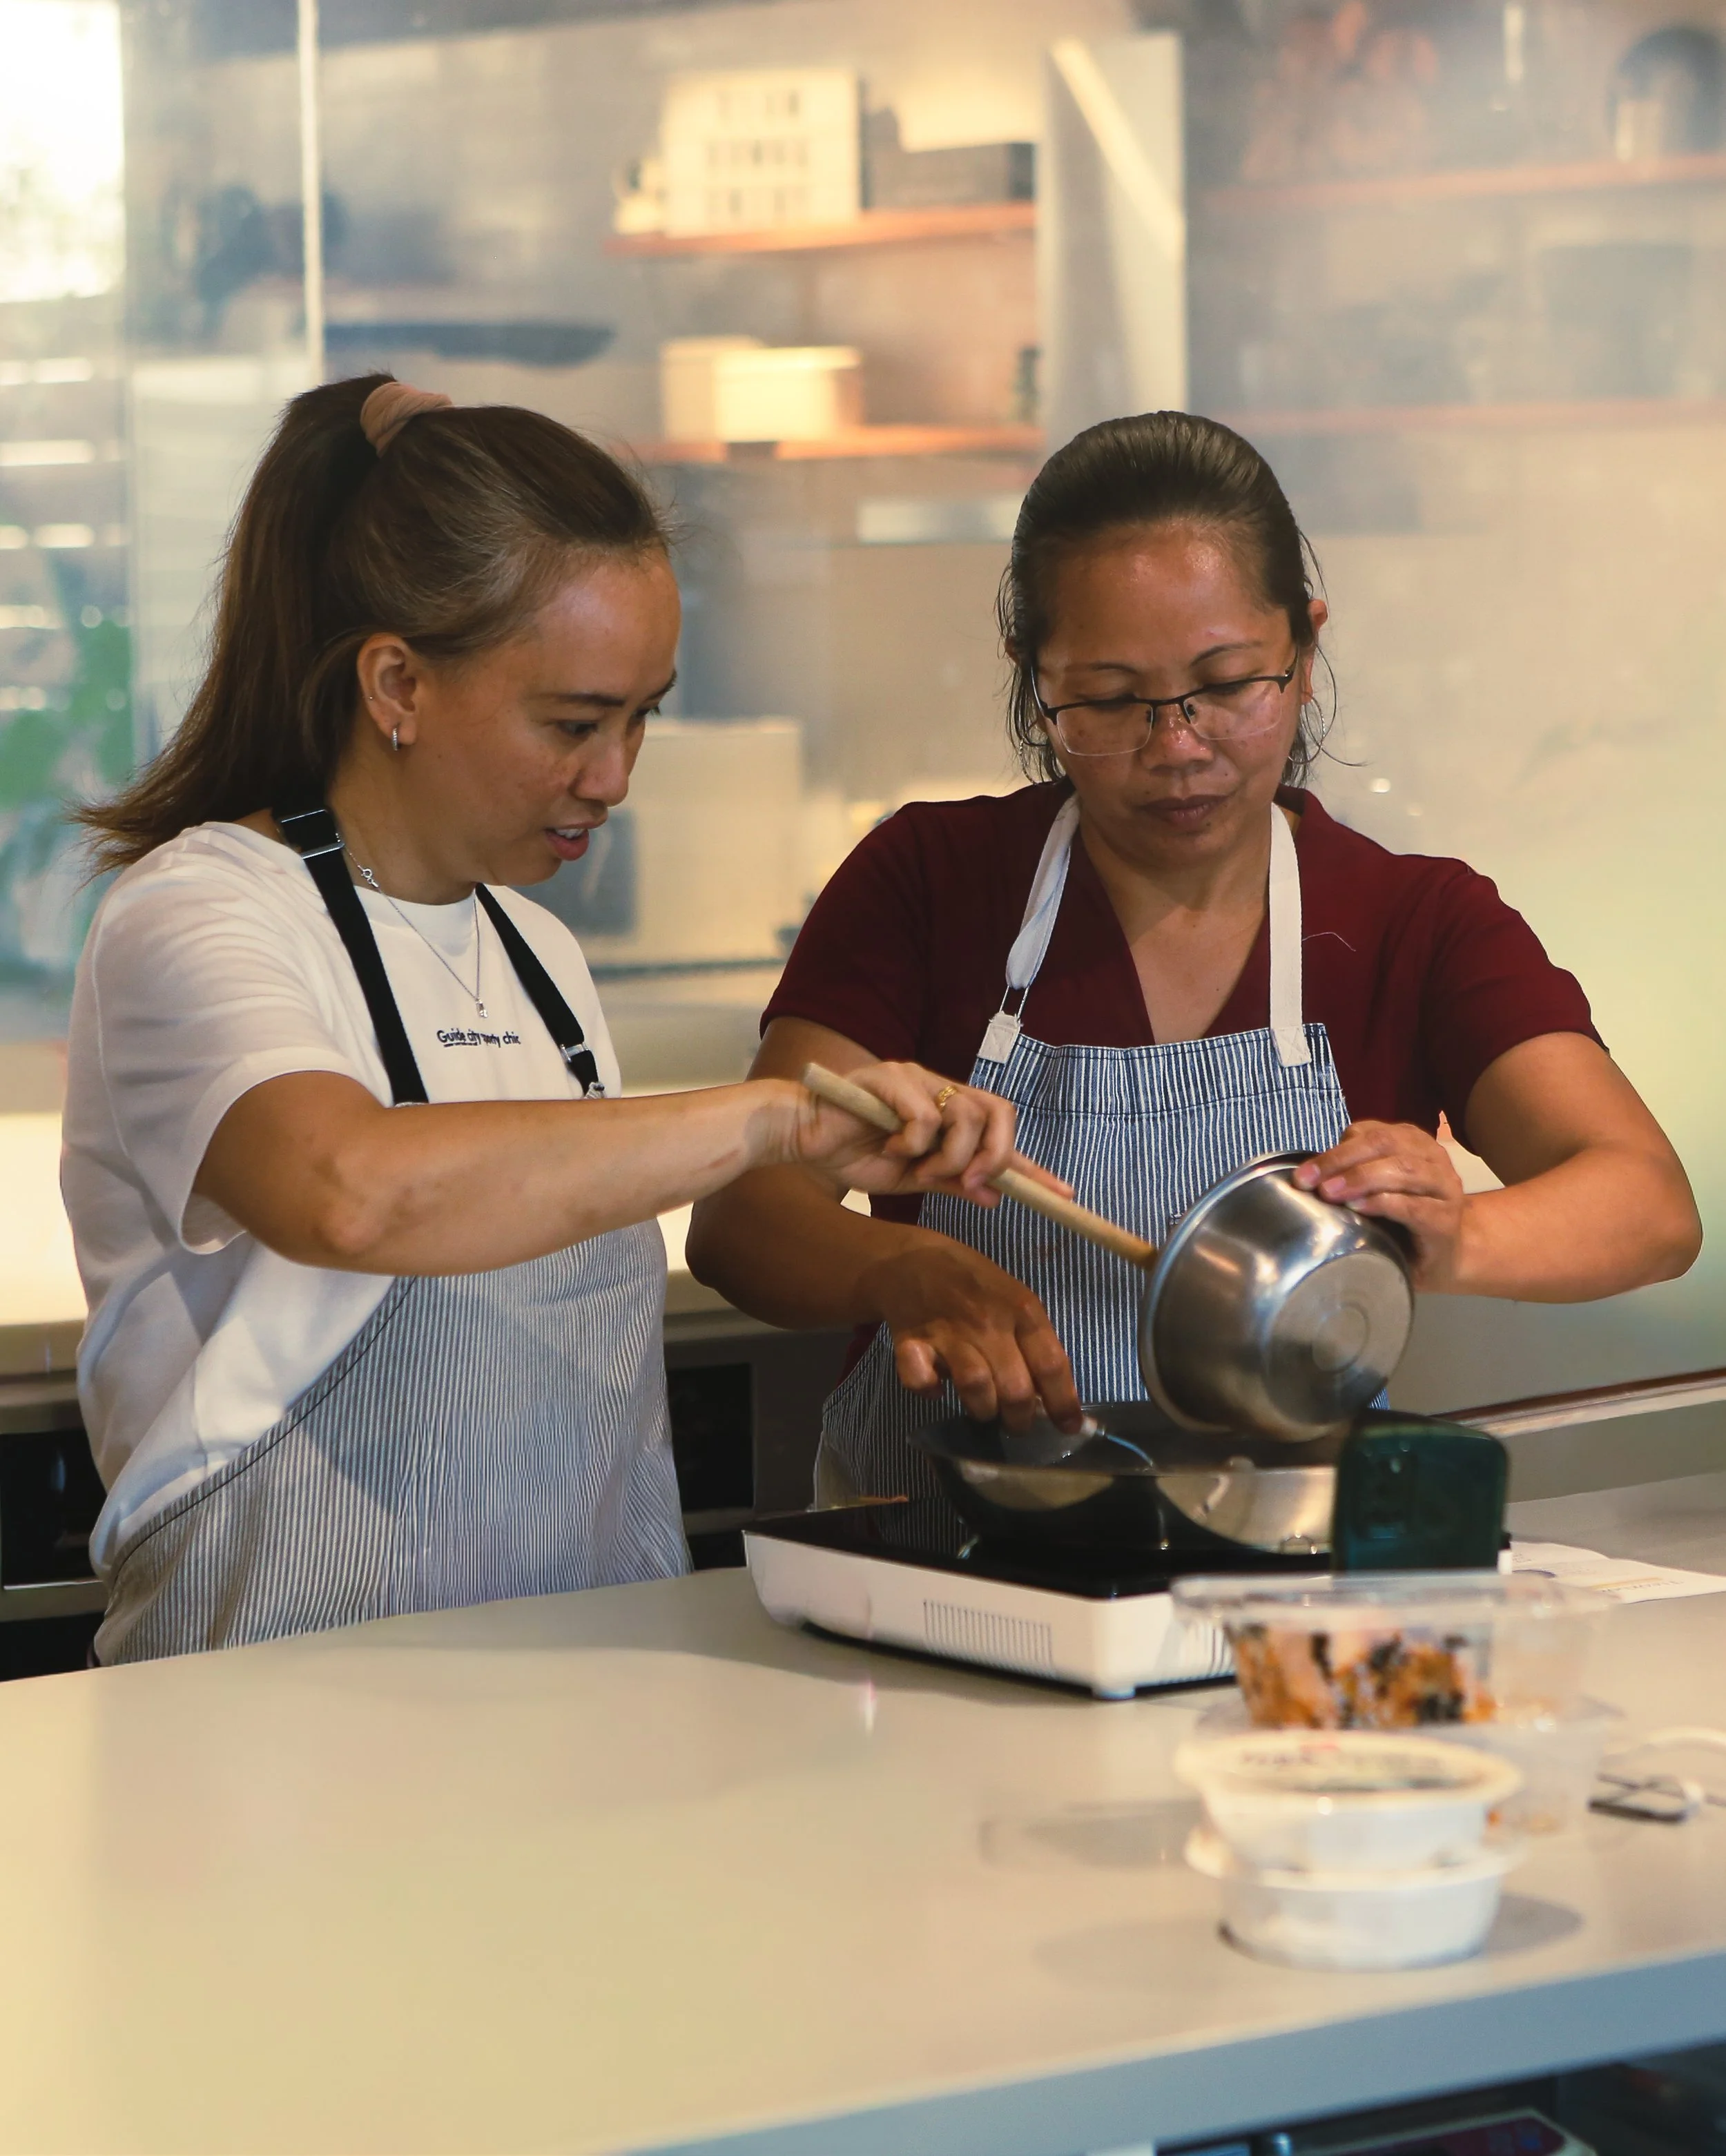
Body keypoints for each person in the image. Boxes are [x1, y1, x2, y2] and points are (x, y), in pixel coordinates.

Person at [65, 375, 1032, 1662]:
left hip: (576, 1703)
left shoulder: (539, 956)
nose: (616, 776)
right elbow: (352, 1192)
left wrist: (789, 1141)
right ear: (397, 683)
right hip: (276, 1728)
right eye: (574, 722)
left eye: (643, 717)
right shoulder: (198, 915)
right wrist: (768, 1122)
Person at [686, 411, 1702, 1504]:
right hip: (944, 1566)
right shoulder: (931, 882)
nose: (1178, 747)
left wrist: (1445, 1239)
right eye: (1114, 699)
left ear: (1304, 653)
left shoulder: (1413, 918)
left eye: (1226, 685)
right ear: (1038, 681)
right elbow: (742, 1217)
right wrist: (895, 1271)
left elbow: (1646, 1204)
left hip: (1276, 1570)